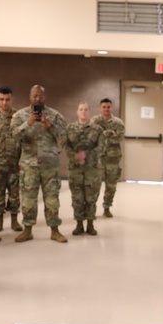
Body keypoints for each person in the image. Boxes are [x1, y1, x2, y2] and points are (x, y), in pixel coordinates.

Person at [10, 85, 68, 243]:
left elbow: (65, 136)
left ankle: (55, 230)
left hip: (50, 165)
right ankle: (27, 230)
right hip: (29, 165)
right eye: (35, 96)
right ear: (30, 96)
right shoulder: (21, 115)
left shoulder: (54, 115)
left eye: (40, 96)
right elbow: (14, 135)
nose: (37, 99)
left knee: (52, 199)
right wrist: (27, 123)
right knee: (28, 199)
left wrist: (50, 125)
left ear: (45, 97)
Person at [64, 101, 102, 236]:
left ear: (89, 112)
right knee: (77, 198)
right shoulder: (69, 128)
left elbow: (101, 147)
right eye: (81, 109)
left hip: (92, 169)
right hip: (75, 169)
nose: (83, 112)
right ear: (77, 111)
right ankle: (79, 224)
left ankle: (90, 224)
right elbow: (65, 146)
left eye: (86, 109)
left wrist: (85, 155)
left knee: (91, 198)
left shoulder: (97, 129)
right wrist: (75, 157)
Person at [0, 86, 22, 232]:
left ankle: (14, 220)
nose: (4, 103)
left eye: (7, 99)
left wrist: (22, 161)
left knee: (15, 194)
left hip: (15, 163)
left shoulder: (18, 116)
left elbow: (23, 139)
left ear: (11, 99)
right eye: (1, 99)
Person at [92, 97, 124, 218]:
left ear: (112, 107)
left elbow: (119, 138)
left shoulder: (118, 123)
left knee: (111, 185)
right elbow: (92, 137)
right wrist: (109, 134)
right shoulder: (94, 121)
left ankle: (107, 207)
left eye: (108, 107)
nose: (106, 109)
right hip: (98, 158)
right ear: (100, 108)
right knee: (95, 185)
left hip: (113, 158)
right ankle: (92, 209)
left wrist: (104, 137)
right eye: (104, 107)